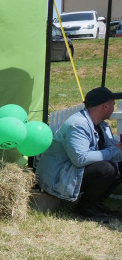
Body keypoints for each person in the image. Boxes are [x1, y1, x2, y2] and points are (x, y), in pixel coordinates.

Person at [36, 86, 122, 221]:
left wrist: (116, 149)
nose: (114, 108)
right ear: (105, 106)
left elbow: (107, 148)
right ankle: (85, 209)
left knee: (115, 163)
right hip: (59, 178)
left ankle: (95, 204)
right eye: (113, 104)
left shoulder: (99, 124)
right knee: (106, 168)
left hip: (71, 172)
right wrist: (114, 150)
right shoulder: (78, 125)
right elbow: (80, 159)